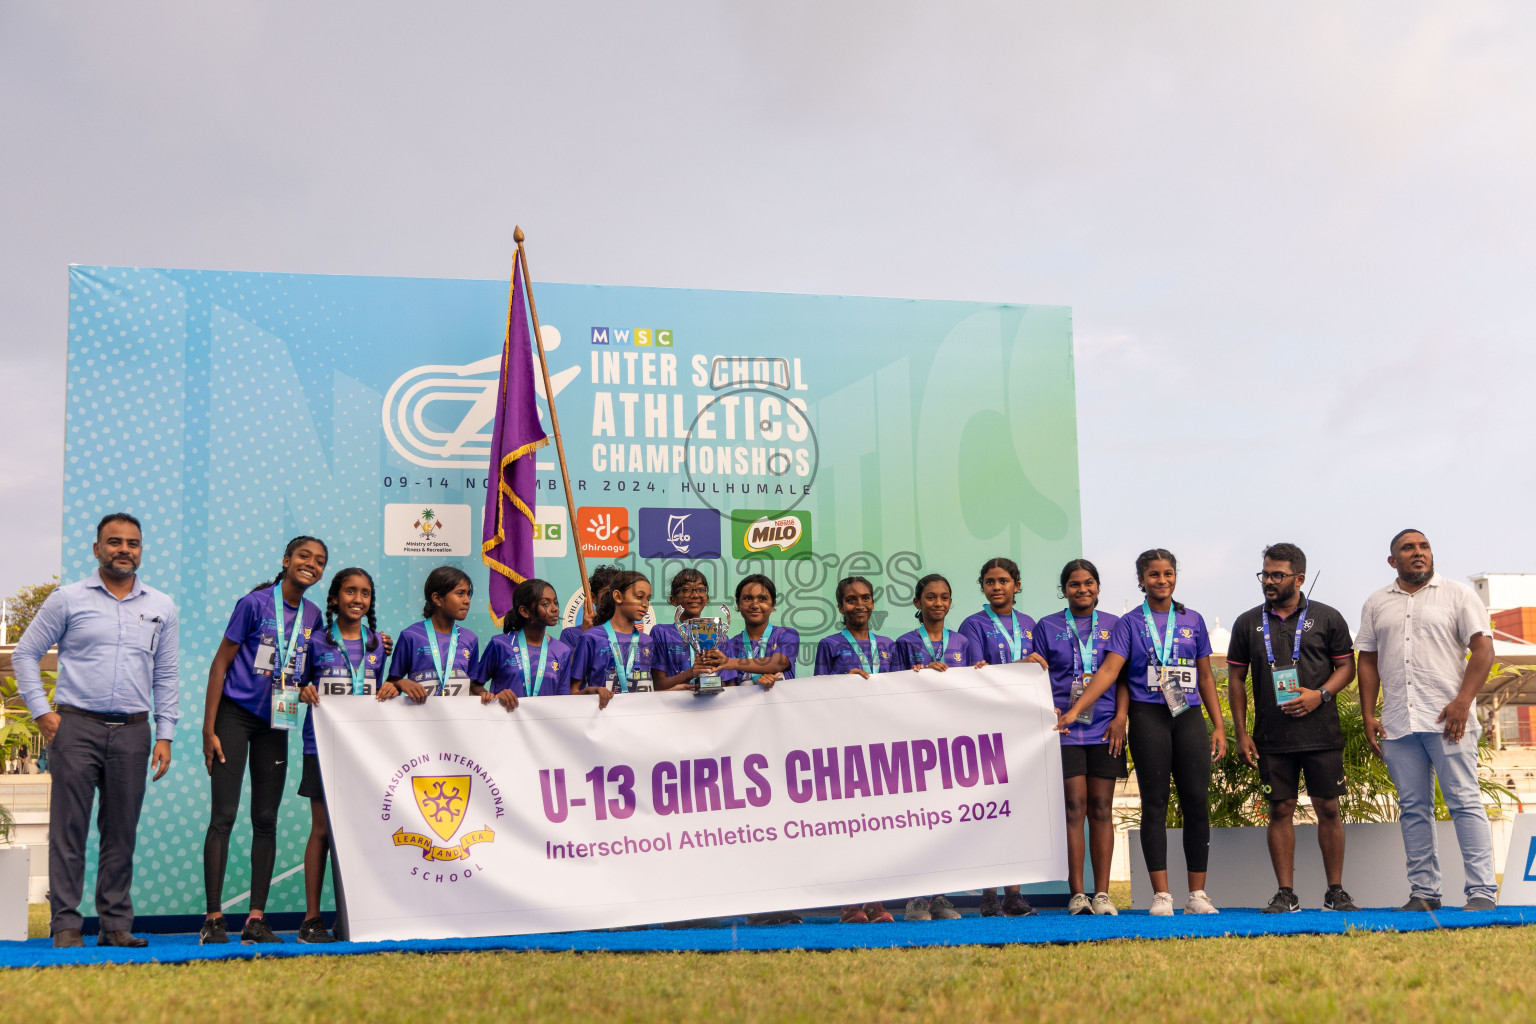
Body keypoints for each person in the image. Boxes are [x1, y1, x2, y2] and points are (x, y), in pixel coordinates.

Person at [12, 513, 178, 948]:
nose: (124, 549)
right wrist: (42, 713)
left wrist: (165, 734)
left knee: (121, 832)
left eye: (133, 543)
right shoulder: (67, 599)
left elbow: (167, 675)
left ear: (141, 550)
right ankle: (66, 926)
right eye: (115, 542)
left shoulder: (161, 606)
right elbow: (25, 653)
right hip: (75, 728)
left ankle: (115, 926)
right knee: (69, 830)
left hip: (134, 733)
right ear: (97, 549)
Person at [1060, 548, 1226, 916]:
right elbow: (1108, 673)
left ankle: (1197, 894)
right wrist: (1075, 710)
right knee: (1155, 804)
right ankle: (1162, 895)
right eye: (1153, 575)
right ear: (1141, 581)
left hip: (1188, 716)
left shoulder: (1193, 620)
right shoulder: (1129, 623)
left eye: (1168, 574)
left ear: (1175, 577)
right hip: (1148, 716)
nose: (1161, 580)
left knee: (1196, 803)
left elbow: (1204, 676)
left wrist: (1218, 726)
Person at [1357, 529, 1498, 911]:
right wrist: (1368, 713)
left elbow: (1484, 650)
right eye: (1408, 548)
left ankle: (1482, 892)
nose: (1418, 553)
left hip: (1448, 720)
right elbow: (1366, 660)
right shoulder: (1376, 603)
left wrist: (1463, 702)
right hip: (1399, 723)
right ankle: (1424, 893)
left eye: (1424, 547)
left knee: (1465, 803)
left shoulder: (1458, 594)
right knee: (1413, 808)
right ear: (1393, 561)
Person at [201, 534, 327, 945]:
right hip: (235, 716)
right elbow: (220, 665)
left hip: (278, 720)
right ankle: (214, 919)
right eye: (304, 556)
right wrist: (209, 728)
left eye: (320, 560)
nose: (311, 564)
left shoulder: (314, 615)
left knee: (266, 820)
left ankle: (256, 919)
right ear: (287, 560)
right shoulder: (253, 604)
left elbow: (310, 669)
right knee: (223, 815)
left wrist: (374, 645)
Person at [1227, 543, 1359, 913]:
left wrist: (1321, 695)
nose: (1269, 581)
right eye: (1265, 574)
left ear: (1299, 578)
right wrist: (1242, 732)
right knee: (1280, 809)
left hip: (1321, 733)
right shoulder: (1247, 622)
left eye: (1277, 575)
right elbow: (1236, 678)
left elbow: (1346, 668)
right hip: (1272, 736)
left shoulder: (1328, 617)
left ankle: (1336, 892)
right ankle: (1286, 894)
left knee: (1328, 808)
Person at [295, 568, 388, 943]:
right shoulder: (316, 643)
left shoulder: (379, 645)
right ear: (334, 599)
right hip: (321, 746)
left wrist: (392, 690)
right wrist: (302, 690)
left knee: (361, 832)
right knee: (322, 830)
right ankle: (312, 919)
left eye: (365, 593)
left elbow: (384, 690)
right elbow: (297, 682)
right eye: (350, 591)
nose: (357, 599)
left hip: (365, 753)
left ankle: (356, 915)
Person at [958, 557, 1050, 916]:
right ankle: (988, 894)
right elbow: (979, 675)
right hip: (989, 726)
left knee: (1019, 808)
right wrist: (1020, 667)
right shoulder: (973, 624)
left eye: (1004, 581)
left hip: (1025, 727)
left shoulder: (1030, 624)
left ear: (1017, 585)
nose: (997, 587)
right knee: (989, 809)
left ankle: (1014, 894)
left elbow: (1043, 668)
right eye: (990, 581)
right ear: (982, 587)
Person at [1034, 559, 1125, 916]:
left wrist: (1121, 718)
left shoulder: (1116, 625)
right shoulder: (1047, 626)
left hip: (1105, 729)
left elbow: (1123, 677)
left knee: (1103, 808)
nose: (1082, 589)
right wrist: (1047, 710)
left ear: (1098, 587)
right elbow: (1037, 674)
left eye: (1089, 583)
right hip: (1065, 729)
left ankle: (1101, 894)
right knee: (1074, 807)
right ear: (1064, 589)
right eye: (1074, 584)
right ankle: (1077, 894)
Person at [813, 576, 897, 924]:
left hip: (883, 747)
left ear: (873, 603)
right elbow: (816, 695)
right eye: (850, 600)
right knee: (848, 825)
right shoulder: (829, 644)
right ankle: (850, 903)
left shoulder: (890, 645)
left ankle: (876, 902)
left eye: (864, 598)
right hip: (844, 746)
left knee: (879, 826)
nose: (858, 605)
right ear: (840, 606)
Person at [891, 572, 973, 922]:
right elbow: (890, 689)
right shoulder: (904, 643)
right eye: (930, 597)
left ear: (951, 602)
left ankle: (939, 897)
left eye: (943, 597)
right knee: (915, 819)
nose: (937, 603)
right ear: (917, 602)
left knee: (943, 819)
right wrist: (918, 675)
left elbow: (974, 687)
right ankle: (915, 899)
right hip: (913, 739)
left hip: (951, 743)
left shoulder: (963, 642)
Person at [383, 566, 481, 703]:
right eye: (460, 593)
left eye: (468, 594)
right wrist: (401, 683)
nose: (467, 600)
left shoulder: (470, 638)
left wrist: (487, 696)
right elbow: (391, 685)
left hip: (458, 722)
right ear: (437, 598)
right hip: (421, 721)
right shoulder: (410, 636)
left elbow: (473, 686)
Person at [477, 578, 574, 708]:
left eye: (555, 603)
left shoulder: (562, 651)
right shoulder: (500, 644)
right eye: (545, 604)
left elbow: (562, 699)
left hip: (543, 726)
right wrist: (493, 698)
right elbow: (474, 685)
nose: (555, 608)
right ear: (524, 611)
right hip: (504, 725)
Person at [571, 570, 657, 707]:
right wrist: (591, 691)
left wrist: (674, 691)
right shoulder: (590, 638)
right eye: (639, 597)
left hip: (640, 720)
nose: (645, 604)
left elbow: (655, 689)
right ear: (617, 596)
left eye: (648, 599)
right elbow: (572, 692)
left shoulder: (647, 641)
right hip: (601, 720)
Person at [649, 568, 726, 692]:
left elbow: (728, 684)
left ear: (706, 599)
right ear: (673, 599)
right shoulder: (661, 633)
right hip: (674, 707)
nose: (695, 595)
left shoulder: (718, 636)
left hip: (711, 707)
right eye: (686, 590)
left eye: (701, 590)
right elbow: (658, 685)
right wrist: (690, 673)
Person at [718, 574, 798, 690]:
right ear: (738, 604)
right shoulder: (730, 644)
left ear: (773, 604)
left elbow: (778, 663)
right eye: (748, 598)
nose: (755, 605)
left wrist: (730, 662)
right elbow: (730, 689)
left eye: (763, 599)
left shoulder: (786, 634)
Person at [560, 564, 619, 651]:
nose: (614, 597)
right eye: (608, 592)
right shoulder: (570, 635)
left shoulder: (632, 635)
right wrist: (585, 636)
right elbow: (569, 664)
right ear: (594, 598)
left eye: (618, 593)